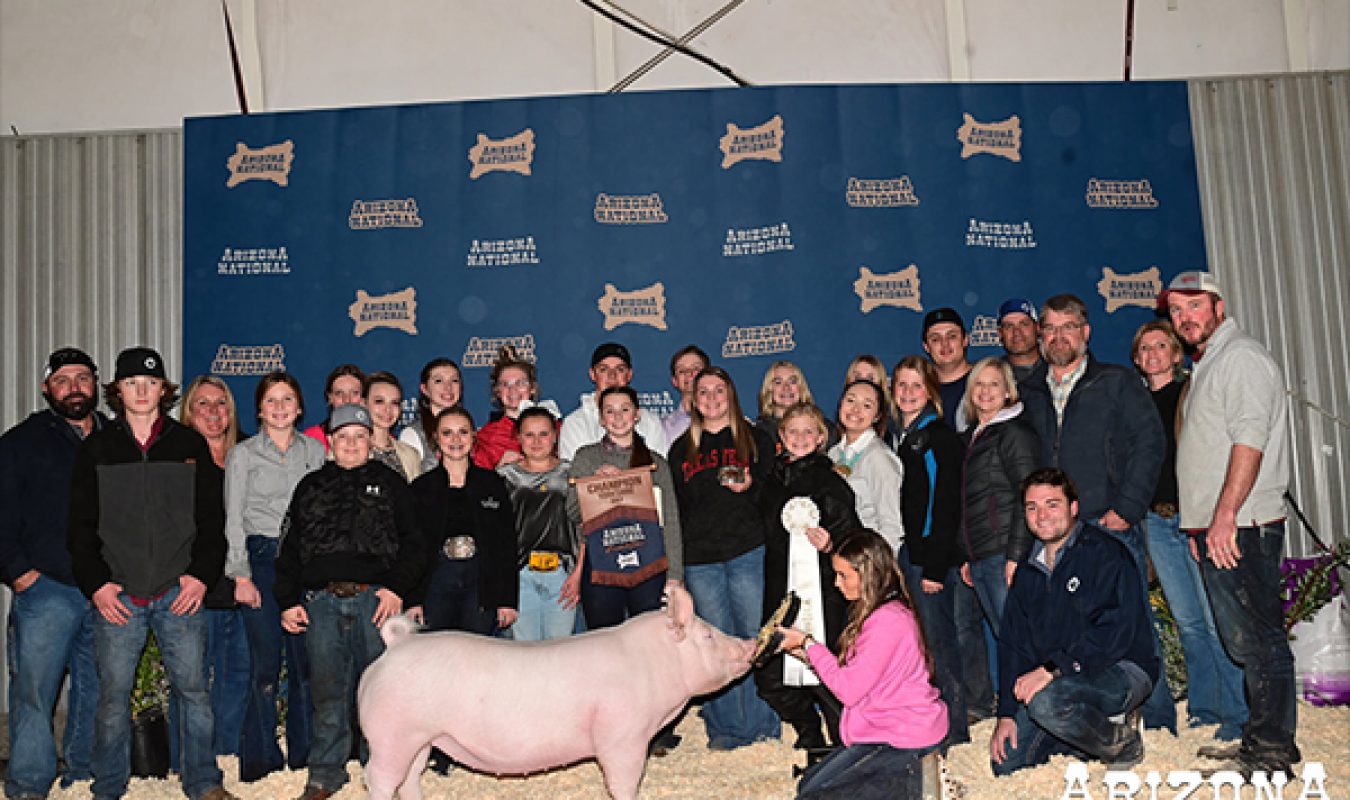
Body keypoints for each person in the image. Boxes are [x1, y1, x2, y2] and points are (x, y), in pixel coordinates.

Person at [67, 346, 236, 800]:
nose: (141, 391)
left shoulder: (189, 445)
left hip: (177, 594)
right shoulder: (96, 450)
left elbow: (211, 524)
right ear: (117, 391)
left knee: (194, 693)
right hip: (119, 599)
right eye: (131, 383)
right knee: (112, 699)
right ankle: (107, 787)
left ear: (163, 390)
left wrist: (200, 576)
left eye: (150, 383)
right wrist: (98, 586)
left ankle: (203, 783)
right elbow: (79, 528)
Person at [1164, 271, 1300, 776]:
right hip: (1222, 526)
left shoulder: (1240, 356)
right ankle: (1262, 739)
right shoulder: (1213, 360)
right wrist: (1203, 524)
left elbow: (1250, 441)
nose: (1183, 319)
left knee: (1260, 640)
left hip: (1242, 523)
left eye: (1194, 306)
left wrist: (1223, 517)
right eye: (1176, 311)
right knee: (1244, 640)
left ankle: (1271, 753)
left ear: (1219, 305)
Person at [1020, 293, 1175, 732]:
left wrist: (1127, 507)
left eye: (1068, 326)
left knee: (1134, 622)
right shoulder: (1029, 391)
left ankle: (1160, 720)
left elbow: (1150, 444)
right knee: (1067, 629)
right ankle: (1084, 716)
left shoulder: (1118, 382)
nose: (1058, 335)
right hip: (1053, 530)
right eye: (1049, 328)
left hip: (1108, 524)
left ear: (1085, 333)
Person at [276, 403, 425, 800]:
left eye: (360, 436)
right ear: (331, 442)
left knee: (383, 697)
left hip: (376, 602)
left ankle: (384, 774)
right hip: (322, 603)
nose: (352, 444)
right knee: (327, 694)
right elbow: (289, 547)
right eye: (343, 437)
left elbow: (415, 543)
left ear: (369, 441)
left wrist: (395, 588)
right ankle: (325, 775)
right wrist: (288, 599)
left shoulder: (392, 482)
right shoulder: (310, 485)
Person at [990, 468, 1157, 775]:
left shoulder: (1106, 554)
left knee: (1047, 704)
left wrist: (1053, 669)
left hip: (1119, 668)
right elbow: (1013, 643)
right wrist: (1007, 714)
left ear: (1074, 507)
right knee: (1007, 764)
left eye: (1052, 504)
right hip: (1060, 679)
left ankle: (1121, 742)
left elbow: (1115, 634)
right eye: (1032, 507)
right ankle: (1079, 735)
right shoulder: (1027, 571)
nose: (1042, 516)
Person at [1132, 320, 1246, 745]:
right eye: (1144, 348)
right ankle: (1204, 709)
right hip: (1158, 522)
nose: (1153, 354)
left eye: (1161, 345)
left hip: (1195, 517)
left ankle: (1235, 713)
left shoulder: (1194, 393)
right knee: (1189, 622)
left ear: (1176, 353)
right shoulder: (1135, 403)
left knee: (1217, 622)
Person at [0, 348, 104, 798]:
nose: (74, 387)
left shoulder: (114, 439)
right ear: (47, 388)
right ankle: (27, 785)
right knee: (34, 695)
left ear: (96, 385)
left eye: (83, 378)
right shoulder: (19, 442)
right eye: (63, 380)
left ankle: (80, 778)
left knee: (96, 693)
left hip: (104, 591)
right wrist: (21, 574)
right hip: (46, 590)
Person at [776, 530, 947, 800]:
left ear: (867, 576)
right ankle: (913, 781)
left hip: (900, 737)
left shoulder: (887, 621)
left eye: (844, 575)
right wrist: (807, 654)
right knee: (808, 785)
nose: (836, 583)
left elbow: (849, 689)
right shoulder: (882, 612)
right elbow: (859, 676)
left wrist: (809, 644)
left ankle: (917, 785)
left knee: (814, 796)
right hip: (885, 731)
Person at [670, 366, 781, 749]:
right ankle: (728, 728)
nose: (712, 398)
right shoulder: (680, 449)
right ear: (693, 399)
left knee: (752, 638)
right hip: (701, 558)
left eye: (720, 390)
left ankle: (763, 725)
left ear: (731, 395)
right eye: (704, 392)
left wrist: (751, 488)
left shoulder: (756, 440)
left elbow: (772, 497)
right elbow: (677, 512)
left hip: (747, 549)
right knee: (715, 645)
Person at [223, 371, 325, 782]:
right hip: (260, 558)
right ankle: (260, 759)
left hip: (303, 563)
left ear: (300, 408)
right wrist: (240, 575)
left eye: (287, 400)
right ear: (259, 409)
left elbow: (321, 517)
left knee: (305, 668)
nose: (280, 408)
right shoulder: (243, 455)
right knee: (264, 667)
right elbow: (233, 519)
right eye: (271, 401)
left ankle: (302, 756)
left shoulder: (315, 452)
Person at [757, 401, 861, 752]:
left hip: (824, 594)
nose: (800, 437)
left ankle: (845, 746)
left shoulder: (832, 482)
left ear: (820, 438)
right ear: (781, 437)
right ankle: (809, 732)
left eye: (808, 431)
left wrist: (833, 543)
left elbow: (855, 537)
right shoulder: (770, 482)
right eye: (792, 431)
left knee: (826, 674)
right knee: (769, 678)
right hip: (779, 593)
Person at [887, 355, 969, 747]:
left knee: (939, 643)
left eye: (916, 385)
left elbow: (945, 502)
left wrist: (935, 565)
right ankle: (934, 721)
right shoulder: (901, 437)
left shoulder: (937, 436)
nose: (907, 393)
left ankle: (954, 729)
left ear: (931, 391)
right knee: (923, 643)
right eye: (901, 385)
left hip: (930, 559)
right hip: (911, 554)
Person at [566, 386, 683, 628]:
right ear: (601, 418)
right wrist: (595, 486)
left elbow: (670, 521)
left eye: (625, 409)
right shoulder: (586, 458)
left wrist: (675, 576)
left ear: (637, 414)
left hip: (649, 566)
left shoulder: (655, 464)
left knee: (650, 643)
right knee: (603, 644)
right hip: (601, 566)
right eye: (610, 411)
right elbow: (572, 512)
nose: (618, 417)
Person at [177, 376, 248, 763]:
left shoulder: (251, 451)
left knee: (237, 676)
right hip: (193, 586)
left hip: (242, 583)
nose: (213, 412)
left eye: (220, 403)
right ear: (189, 411)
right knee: (191, 682)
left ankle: (227, 757)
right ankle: (186, 764)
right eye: (202, 404)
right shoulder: (176, 457)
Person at [956, 357, 1039, 663]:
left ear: (1008, 391)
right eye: (979, 383)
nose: (986, 391)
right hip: (981, 554)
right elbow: (968, 500)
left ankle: (1039, 710)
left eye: (994, 384)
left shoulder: (1013, 433)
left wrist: (1016, 555)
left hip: (1004, 552)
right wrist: (967, 552)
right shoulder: (972, 437)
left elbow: (1027, 495)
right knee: (1005, 639)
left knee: (1019, 641)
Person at [410, 407, 519, 636]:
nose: (456, 440)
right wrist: (413, 599)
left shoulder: (492, 483)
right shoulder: (421, 487)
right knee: (436, 656)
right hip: (437, 580)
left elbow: (506, 544)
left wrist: (507, 599)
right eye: (447, 433)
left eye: (463, 432)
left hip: (481, 580)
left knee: (478, 656)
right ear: (436, 439)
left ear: (473, 436)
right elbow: (412, 546)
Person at [497, 407, 579, 640]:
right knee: (525, 654)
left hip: (562, 576)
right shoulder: (505, 477)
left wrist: (577, 574)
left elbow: (584, 528)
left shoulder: (571, 473)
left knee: (560, 652)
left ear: (555, 436)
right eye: (529, 435)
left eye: (543, 434)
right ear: (519, 438)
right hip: (520, 576)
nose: (536, 441)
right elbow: (495, 532)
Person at [827, 380, 905, 555]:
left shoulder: (879, 457)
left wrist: (882, 568)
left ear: (877, 416)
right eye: (851, 400)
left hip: (868, 558)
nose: (856, 409)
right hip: (842, 558)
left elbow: (891, 522)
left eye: (867, 405)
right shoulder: (833, 454)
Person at [559, 342, 667, 461]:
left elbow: (658, 469)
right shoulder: (575, 424)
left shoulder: (650, 421)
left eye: (620, 369)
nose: (612, 375)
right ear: (592, 374)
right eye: (603, 369)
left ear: (629, 375)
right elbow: (573, 473)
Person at [473, 346, 561, 470]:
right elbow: (478, 484)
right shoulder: (486, 437)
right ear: (497, 391)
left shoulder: (557, 427)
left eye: (520, 383)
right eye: (505, 384)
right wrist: (499, 470)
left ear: (532, 388)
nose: (513, 390)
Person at [399, 357, 462, 473]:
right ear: (424, 389)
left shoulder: (467, 429)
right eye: (438, 381)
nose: (448, 387)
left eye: (454, 381)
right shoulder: (413, 433)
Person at [921, 307, 973, 432]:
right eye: (935, 339)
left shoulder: (985, 382)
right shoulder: (917, 389)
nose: (945, 344)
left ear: (965, 340)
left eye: (952, 336)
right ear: (926, 346)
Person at [364, 371, 422, 481]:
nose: (388, 409)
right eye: (379, 401)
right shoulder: (349, 451)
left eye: (394, 402)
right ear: (364, 403)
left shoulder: (411, 455)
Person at [302, 364, 366, 452]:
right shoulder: (312, 437)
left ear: (363, 399)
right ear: (330, 398)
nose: (347, 400)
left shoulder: (379, 438)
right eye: (339, 393)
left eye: (354, 393)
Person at [754, 360, 820, 445]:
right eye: (778, 382)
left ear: (801, 387)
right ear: (769, 389)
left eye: (792, 381)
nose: (786, 387)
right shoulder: (759, 433)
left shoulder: (822, 427)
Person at [662, 344, 710, 443]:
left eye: (696, 368)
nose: (689, 373)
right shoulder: (664, 428)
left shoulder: (727, 422)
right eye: (682, 370)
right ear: (675, 381)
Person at [997, 298, 1043, 386]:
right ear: (1000, 333)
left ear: (1037, 328)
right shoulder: (992, 373)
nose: (1017, 332)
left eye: (1024, 324)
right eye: (1009, 326)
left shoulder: (1057, 368)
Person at [843, 355, 893, 426]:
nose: (863, 382)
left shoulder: (892, 430)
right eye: (857, 377)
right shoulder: (834, 433)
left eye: (870, 379)